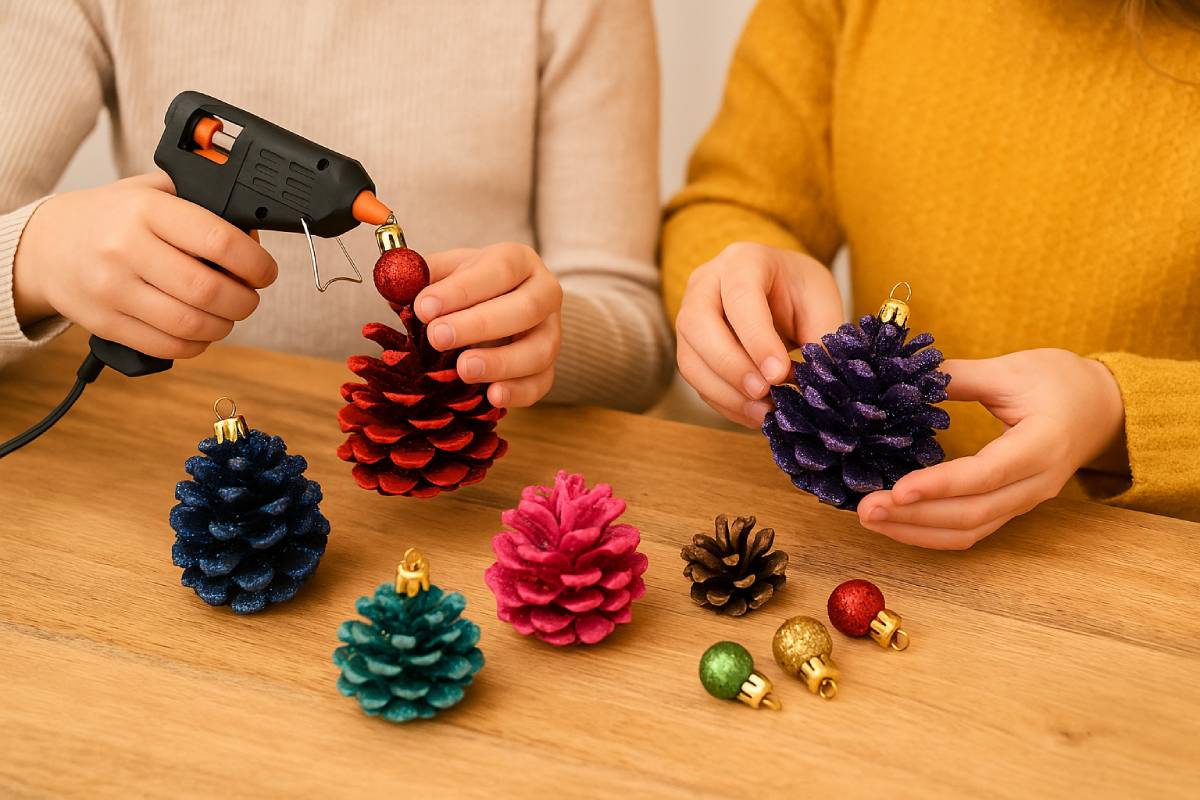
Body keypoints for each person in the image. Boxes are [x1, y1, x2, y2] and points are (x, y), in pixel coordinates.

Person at [662, 0, 1200, 547]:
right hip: (862, 540)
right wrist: (740, 283)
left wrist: (1119, 412)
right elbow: (737, 199)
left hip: (1131, 559)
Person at [0, 0, 672, 414]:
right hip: (164, 450)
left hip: (477, 492)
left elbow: (642, 346)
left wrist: (538, 333)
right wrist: (36, 257)